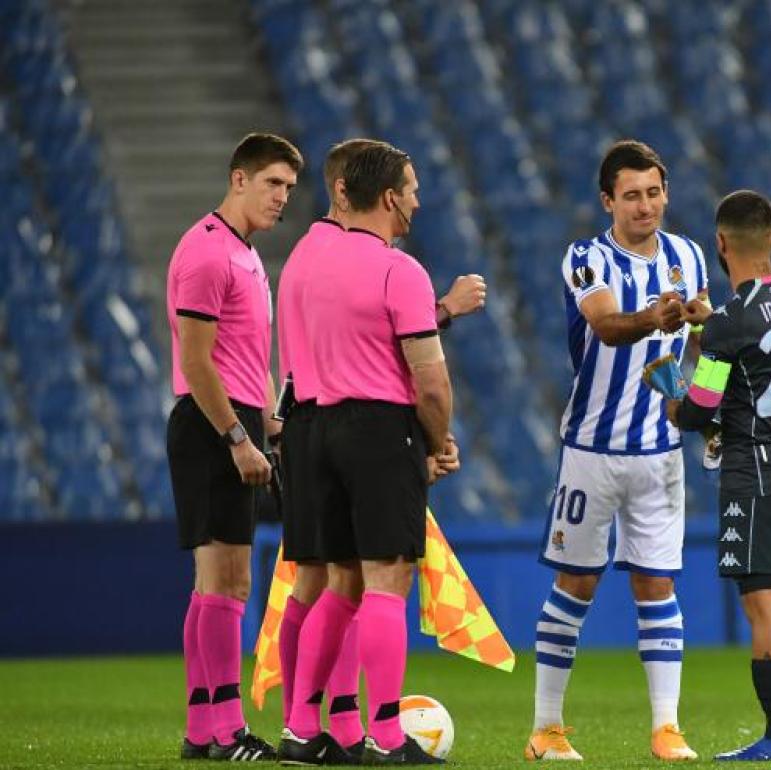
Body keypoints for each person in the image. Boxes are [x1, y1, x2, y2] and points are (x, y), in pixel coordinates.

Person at [273, 139, 486, 764]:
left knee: (339, 583)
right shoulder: (400, 269)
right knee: (387, 579)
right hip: (375, 428)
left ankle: (302, 727)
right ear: (390, 197)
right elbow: (430, 379)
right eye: (413, 189)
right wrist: (438, 440)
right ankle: (387, 736)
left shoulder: (301, 259)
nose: (418, 200)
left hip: (307, 428)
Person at [525, 140, 708, 762]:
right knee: (576, 583)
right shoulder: (586, 259)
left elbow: (692, 341)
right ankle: (545, 727)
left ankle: (666, 728)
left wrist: (685, 396)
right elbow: (604, 325)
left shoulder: (687, 254)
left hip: (659, 454)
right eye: (631, 195)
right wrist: (658, 319)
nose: (645, 205)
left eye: (654, 192)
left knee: (657, 586)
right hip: (592, 450)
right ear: (608, 201)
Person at [659, 190, 771, 762]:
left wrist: (675, 405)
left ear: (721, 244)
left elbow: (701, 408)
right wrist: (713, 328)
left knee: (763, 604)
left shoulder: (730, 323)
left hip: (755, 468)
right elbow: (753, 349)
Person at [167, 132, 302, 761]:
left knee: (212, 584)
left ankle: (205, 731)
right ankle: (226, 731)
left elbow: (248, 357)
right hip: (211, 425)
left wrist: (272, 423)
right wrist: (237, 438)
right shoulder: (206, 252)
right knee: (229, 583)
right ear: (238, 178)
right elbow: (197, 364)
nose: (282, 198)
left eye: (289, 189)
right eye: (273, 183)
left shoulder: (242, 253)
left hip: (237, 420)